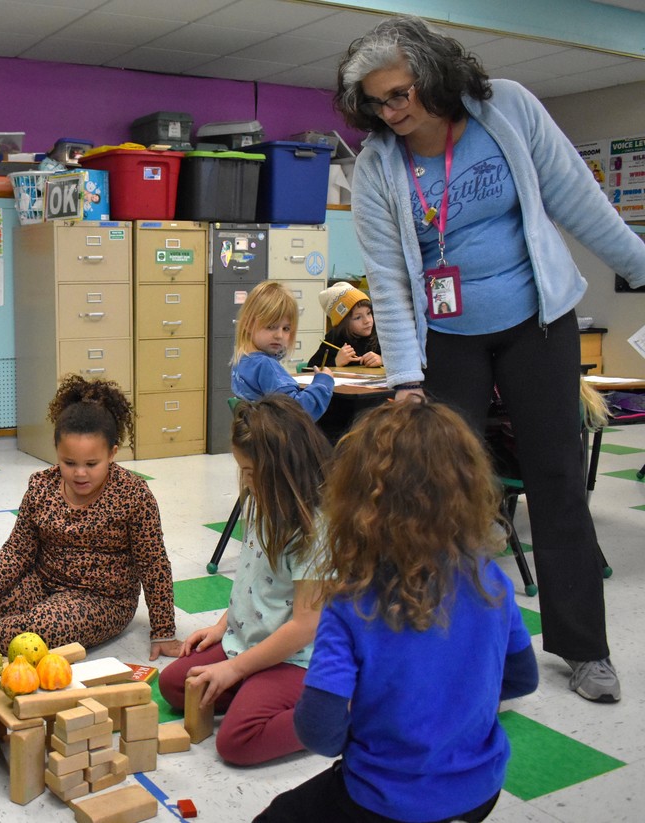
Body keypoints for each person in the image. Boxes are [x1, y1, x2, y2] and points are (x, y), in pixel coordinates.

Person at [334, 14, 645, 702]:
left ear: (435, 73)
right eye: (379, 102)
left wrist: (641, 265)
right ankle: (454, 642)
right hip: (449, 338)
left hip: (538, 321)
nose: (394, 110)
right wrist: (407, 378)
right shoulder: (380, 167)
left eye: (403, 92)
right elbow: (385, 278)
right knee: (446, 491)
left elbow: (581, 203)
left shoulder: (507, 110)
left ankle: (584, 648)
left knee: (559, 480)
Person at [255, 400, 538, 823]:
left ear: (353, 501)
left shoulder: (352, 604)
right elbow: (522, 679)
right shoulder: (490, 579)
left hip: (382, 799)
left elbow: (318, 733)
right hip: (480, 791)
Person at [0, 375, 181, 660]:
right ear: (57, 452)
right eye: (69, 463)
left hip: (102, 600)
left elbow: (153, 565)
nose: (80, 473)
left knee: (42, 630)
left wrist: (163, 630)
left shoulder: (134, 495)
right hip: (43, 583)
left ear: (112, 453)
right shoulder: (41, 485)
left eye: (91, 464)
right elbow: (18, 549)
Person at [158, 395, 331, 766]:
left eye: (252, 472)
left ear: (286, 467)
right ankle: (256, 687)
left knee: (237, 741)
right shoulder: (261, 502)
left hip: (296, 659)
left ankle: (337, 714)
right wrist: (223, 625)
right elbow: (253, 577)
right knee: (174, 685)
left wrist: (236, 669)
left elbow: (305, 626)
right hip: (248, 640)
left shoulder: (315, 529)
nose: (246, 483)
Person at [230, 280, 334, 420]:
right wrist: (323, 383)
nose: (279, 335)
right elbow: (300, 412)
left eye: (286, 329)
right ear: (248, 324)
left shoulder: (243, 360)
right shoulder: (266, 366)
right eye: (271, 327)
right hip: (279, 438)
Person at [307, 282, 383, 368]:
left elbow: (400, 359)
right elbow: (310, 369)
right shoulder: (334, 338)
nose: (367, 321)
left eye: (369, 313)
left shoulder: (380, 333)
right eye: (358, 317)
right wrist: (335, 362)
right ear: (343, 323)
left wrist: (382, 360)